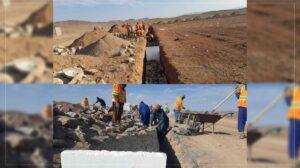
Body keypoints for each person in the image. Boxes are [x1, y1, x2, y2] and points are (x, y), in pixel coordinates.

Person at [285, 85, 300, 166]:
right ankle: (294, 160)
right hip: (295, 118)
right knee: (294, 139)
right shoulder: (293, 88)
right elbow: (288, 102)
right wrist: (287, 94)